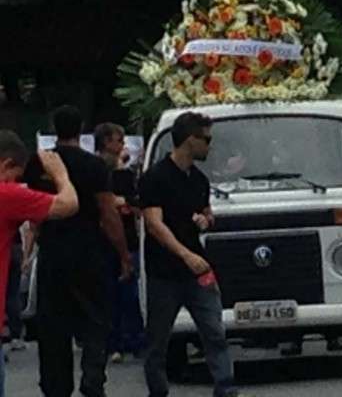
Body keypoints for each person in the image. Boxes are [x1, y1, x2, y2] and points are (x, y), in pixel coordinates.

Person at [23, 105, 132, 397]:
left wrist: (29, 248)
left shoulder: (39, 164)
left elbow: (33, 211)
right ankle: (93, 378)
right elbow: (107, 213)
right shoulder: (93, 165)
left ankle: (55, 386)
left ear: (54, 129)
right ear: (81, 129)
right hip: (88, 251)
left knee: (53, 324)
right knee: (96, 318)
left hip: (53, 252)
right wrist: (123, 253)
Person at [139, 112, 243, 397]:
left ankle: (225, 387)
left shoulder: (198, 179)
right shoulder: (155, 178)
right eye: (206, 139)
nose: (210, 146)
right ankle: (158, 391)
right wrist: (186, 255)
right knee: (158, 340)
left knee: (214, 330)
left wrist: (206, 220)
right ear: (189, 140)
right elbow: (154, 224)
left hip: (198, 270)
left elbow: (207, 212)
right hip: (165, 272)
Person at [0, 132, 79, 397]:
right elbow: (68, 205)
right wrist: (60, 175)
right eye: (16, 176)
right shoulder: (6, 195)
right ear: (6, 165)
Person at [94, 122, 146, 362]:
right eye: (118, 140)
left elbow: (137, 203)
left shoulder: (124, 174)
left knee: (129, 292)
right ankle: (113, 340)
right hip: (102, 241)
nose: (122, 145)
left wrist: (125, 202)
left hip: (127, 238)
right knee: (109, 292)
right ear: (106, 142)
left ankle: (133, 339)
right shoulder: (93, 171)